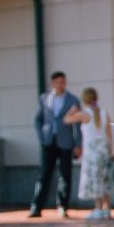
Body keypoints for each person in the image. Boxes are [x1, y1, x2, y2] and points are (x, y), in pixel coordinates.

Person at [29, 71, 80, 218]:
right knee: (44, 174)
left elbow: (77, 125)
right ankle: (36, 206)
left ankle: (62, 206)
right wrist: (42, 136)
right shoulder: (44, 99)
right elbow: (38, 119)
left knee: (65, 175)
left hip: (65, 142)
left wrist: (78, 144)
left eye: (63, 81)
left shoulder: (73, 100)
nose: (61, 84)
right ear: (52, 83)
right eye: (58, 82)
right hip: (48, 142)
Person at [65, 86, 114, 220]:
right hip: (104, 150)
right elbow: (109, 134)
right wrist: (112, 151)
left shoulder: (84, 114)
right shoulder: (104, 113)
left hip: (91, 153)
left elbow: (66, 120)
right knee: (105, 179)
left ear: (84, 99)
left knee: (94, 179)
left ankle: (98, 208)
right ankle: (107, 209)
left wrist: (71, 111)